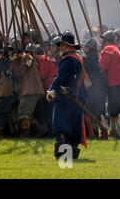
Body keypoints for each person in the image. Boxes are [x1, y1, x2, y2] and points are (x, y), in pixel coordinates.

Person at [47, 31, 86, 159]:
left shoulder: (69, 60)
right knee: (73, 123)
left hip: (65, 96)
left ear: (69, 46)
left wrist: (51, 91)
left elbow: (60, 78)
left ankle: (63, 150)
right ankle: (73, 150)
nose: (61, 47)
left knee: (60, 122)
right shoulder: (77, 58)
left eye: (63, 45)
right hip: (74, 95)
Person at [11, 44, 46, 137]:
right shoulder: (28, 58)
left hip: (30, 90)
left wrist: (14, 62)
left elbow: (20, 72)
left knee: (24, 112)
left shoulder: (27, 57)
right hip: (30, 89)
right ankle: (40, 129)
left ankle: (26, 132)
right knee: (25, 111)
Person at [98, 30, 120, 138]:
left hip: (115, 83)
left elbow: (102, 66)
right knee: (113, 109)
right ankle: (115, 132)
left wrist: (100, 56)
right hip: (118, 83)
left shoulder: (108, 49)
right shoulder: (113, 48)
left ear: (106, 40)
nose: (100, 41)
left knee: (115, 110)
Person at [82, 38, 108, 139]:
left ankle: (102, 132)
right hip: (93, 88)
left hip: (97, 89)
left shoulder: (94, 58)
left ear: (91, 48)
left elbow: (87, 65)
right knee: (92, 111)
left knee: (97, 112)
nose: (85, 48)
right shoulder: (91, 57)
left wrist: (80, 59)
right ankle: (94, 132)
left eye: (86, 46)